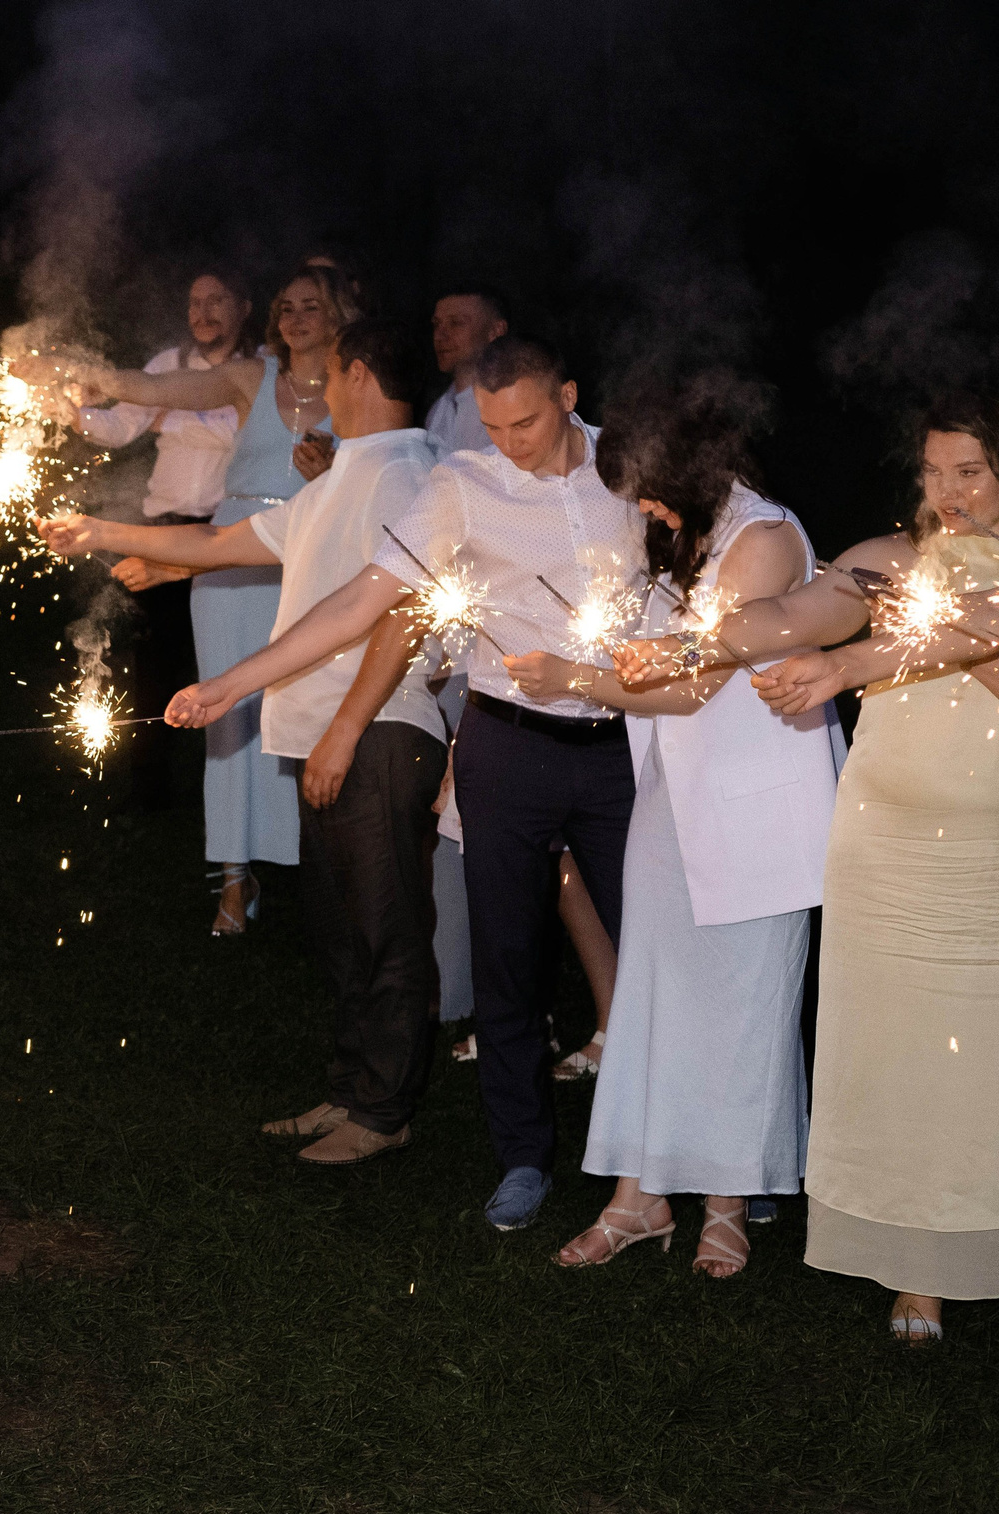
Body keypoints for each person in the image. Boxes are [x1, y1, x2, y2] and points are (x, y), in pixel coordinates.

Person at [166, 335, 645, 1230]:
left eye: (526, 423)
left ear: (569, 396)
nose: (509, 443)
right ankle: (523, 1157)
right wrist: (234, 682)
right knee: (506, 961)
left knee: (652, 944)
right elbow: (362, 600)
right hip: (507, 743)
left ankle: (677, 1152)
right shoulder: (461, 484)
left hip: (621, 744)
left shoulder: (631, 467)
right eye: (493, 426)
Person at [624, 398, 999, 1338]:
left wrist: (849, 665)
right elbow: (799, 610)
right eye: (934, 471)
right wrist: (694, 640)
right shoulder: (893, 558)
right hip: (884, 840)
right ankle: (916, 1261)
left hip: (983, 848)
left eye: (969, 471)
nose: (947, 492)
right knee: (896, 1051)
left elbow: (979, 638)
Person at [49, 318, 445, 1160]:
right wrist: (101, 531)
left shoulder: (405, 473)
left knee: (387, 928)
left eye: (331, 372)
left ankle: (385, 1110)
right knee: (340, 931)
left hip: (375, 732)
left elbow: (399, 612)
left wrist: (341, 726)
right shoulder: (345, 475)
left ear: (359, 374)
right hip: (325, 735)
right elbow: (221, 541)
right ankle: (351, 1088)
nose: (320, 387)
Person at [490, 381, 839, 1274]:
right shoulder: (687, 535)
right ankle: (638, 1195)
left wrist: (574, 680)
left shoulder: (763, 539)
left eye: (650, 489)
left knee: (744, 1006)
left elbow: (694, 685)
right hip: (672, 800)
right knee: (650, 994)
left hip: (757, 810)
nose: (644, 508)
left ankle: (727, 1198)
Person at [42, 265, 361, 933]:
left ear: (339, 314)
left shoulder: (359, 390)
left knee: (307, 710)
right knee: (229, 718)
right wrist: (80, 372)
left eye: (312, 306)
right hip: (228, 566)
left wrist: (333, 474)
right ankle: (234, 883)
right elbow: (154, 388)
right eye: (288, 306)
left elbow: (374, 492)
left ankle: (321, 864)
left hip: (310, 564)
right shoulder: (251, 378)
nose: (297, 317)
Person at [72, 271, 256, 810]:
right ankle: (148, 791)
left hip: (229, 533)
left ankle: (236, 783)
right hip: (163, 531)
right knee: (153, 663)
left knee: (227, 658)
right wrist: (70, 412)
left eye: (216, 300)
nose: (203, 312)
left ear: (244, 307)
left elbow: (243, 437)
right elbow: (117, 429)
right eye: (195, 302)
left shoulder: (261, 368)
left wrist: (171, 422)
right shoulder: (166, 364)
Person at [425, 288, 510, 455]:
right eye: (436, 325)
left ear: (496, 331)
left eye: (456, 323)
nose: (439, 336)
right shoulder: (438, 410)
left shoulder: (511, 406)